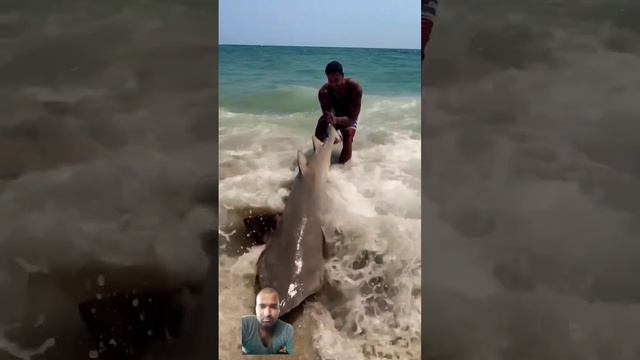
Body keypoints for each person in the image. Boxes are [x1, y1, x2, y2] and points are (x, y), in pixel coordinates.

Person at [315, 61, 363, 164]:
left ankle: (341, 170)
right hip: (333, 116)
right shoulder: (324, 92)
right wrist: (331, 124)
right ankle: (321, 162)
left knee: (348, 136)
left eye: (336, 80)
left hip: (348, 117)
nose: (333, 84)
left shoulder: (354, 89)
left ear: (343, 76)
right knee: (319, 133)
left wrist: (337, 120)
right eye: (330, 80)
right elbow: (327, 115)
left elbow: (352, 119)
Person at [241, 288, 294, 355]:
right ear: (256, 309)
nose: (267, 313)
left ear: (279, 310)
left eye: (273, 307)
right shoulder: (244, 324)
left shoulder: (288, 331)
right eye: (262, 306)